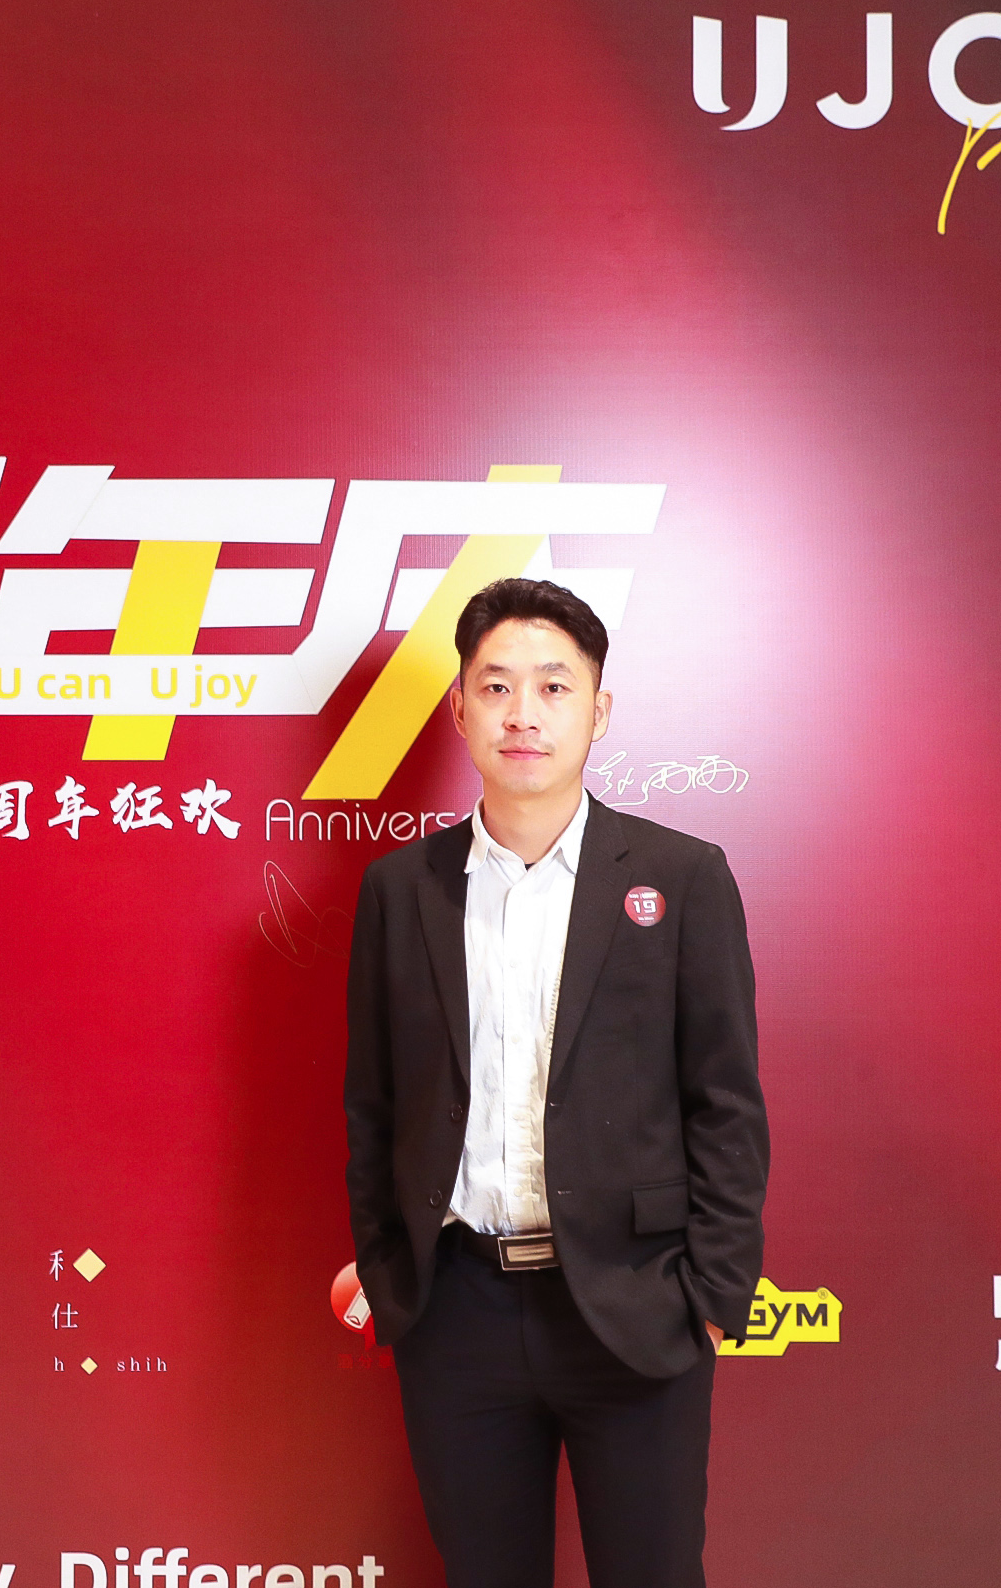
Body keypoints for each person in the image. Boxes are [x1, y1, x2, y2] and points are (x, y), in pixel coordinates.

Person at [342, 577, 768, 1588]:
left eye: (553, 686)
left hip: (634, 1305)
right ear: (459, 710)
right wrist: (396, 1274)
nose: (522, 713)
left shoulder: (682, 875)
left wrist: (710, 1294)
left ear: (598, 710)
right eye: (495, 687)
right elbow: (373, 1103)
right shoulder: (401, 889)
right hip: (457, 1312)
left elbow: (725, 1101)